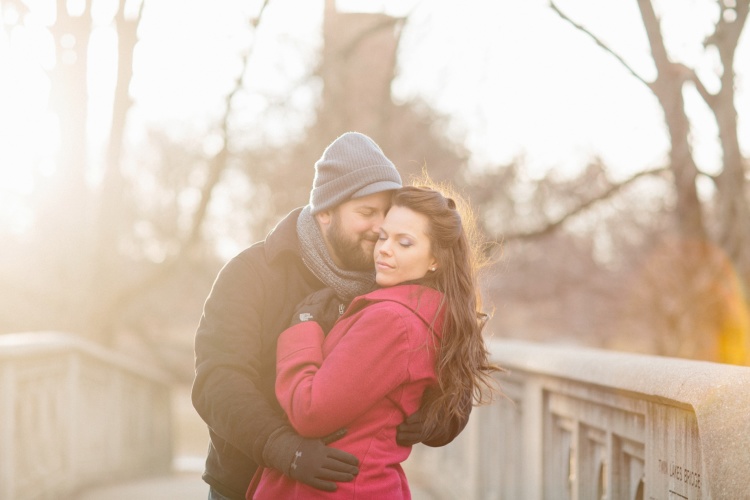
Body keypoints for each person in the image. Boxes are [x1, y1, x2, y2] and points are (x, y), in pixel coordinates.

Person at [192, 132, 469, 500]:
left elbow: (452, 362)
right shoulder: (253, 272)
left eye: (384, 215)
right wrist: (284, 449)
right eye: (366, 213)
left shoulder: (393, 279)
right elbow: (217, 381)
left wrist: (439, 418)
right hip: (243, 486)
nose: (379, 231)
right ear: (325, 211)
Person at [251, 184, 502, 499]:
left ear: (435, 260)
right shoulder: (425, 312)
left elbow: (310, 412)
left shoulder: (393, 322)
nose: (384, 248)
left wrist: (303, 326)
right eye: (383, 237)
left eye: (404, 243)